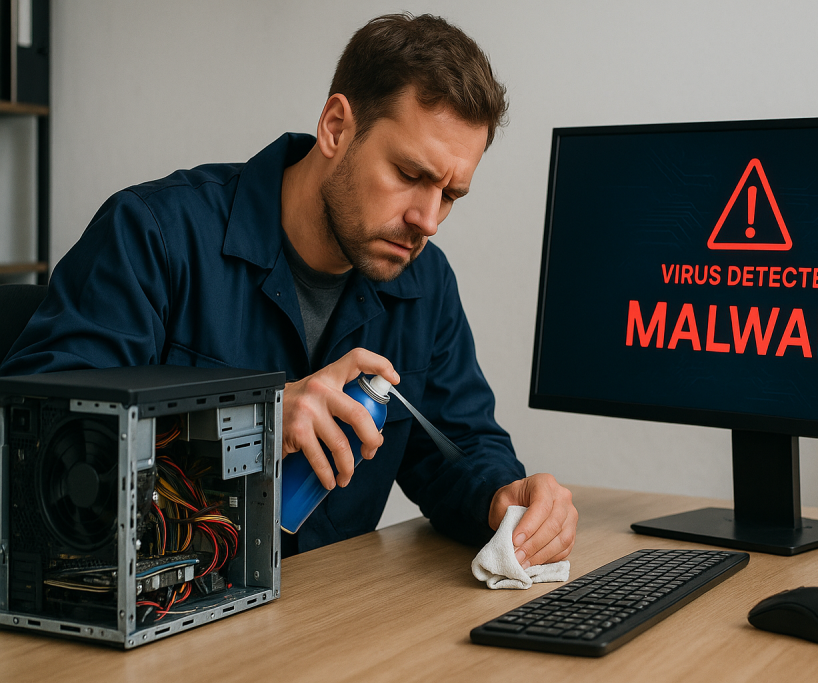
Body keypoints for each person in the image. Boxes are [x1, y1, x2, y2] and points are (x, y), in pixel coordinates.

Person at [0, 13, 577, 566]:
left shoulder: (425, 284)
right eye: (409, 175)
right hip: (153, 614)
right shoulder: (152, 235)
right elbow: (36, 448)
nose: (428, 219)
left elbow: (459, 449)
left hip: (317, 629)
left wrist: (502, 496)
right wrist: (254, 423)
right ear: (335, 127)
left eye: (451, 195)